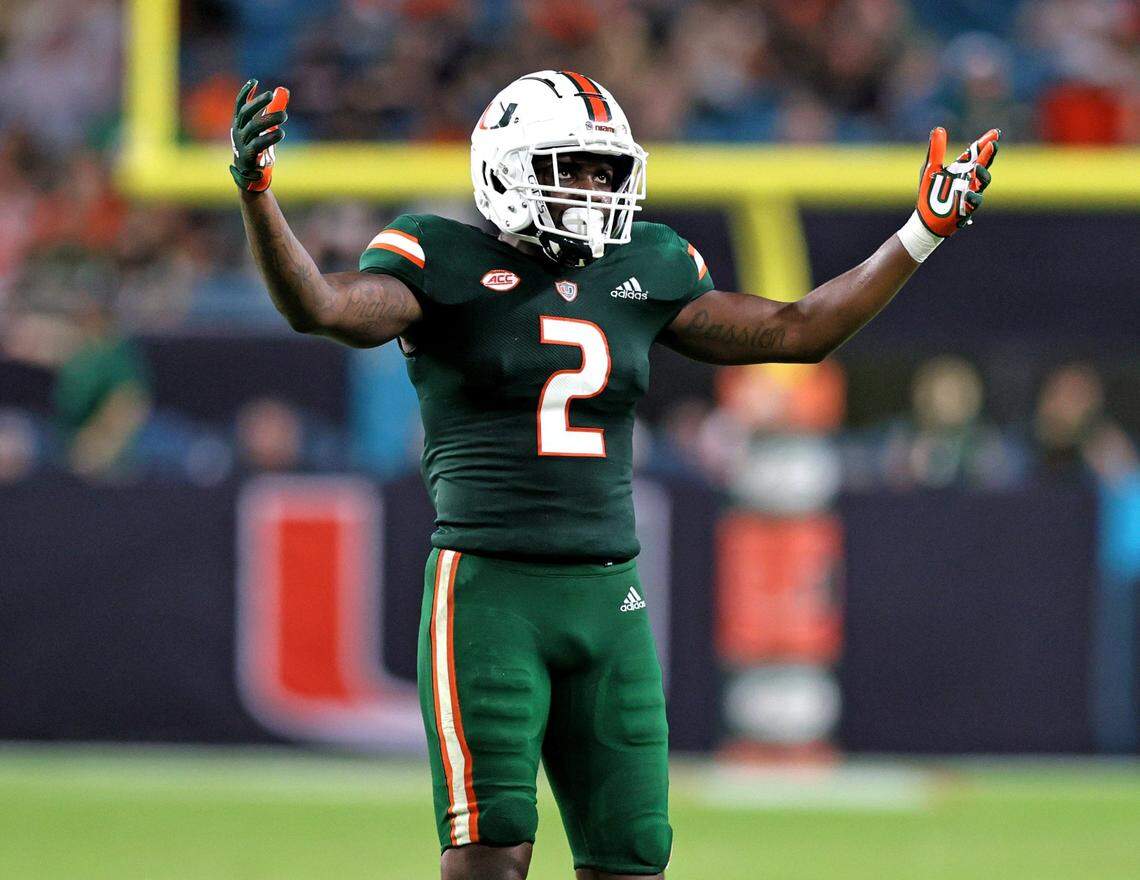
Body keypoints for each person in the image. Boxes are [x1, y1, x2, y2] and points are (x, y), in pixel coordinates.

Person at [230, 70, 999, 880]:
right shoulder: (440, 256)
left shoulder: (646, 266)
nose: (597, 187)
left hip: (612, 600)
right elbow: (319, 305)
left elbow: (796, 330)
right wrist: (258, 197)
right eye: (574, 167)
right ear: (505, 166)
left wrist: (921, 231)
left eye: (606, 170)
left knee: (632, 857)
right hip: (491, 594)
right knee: (491, 854)